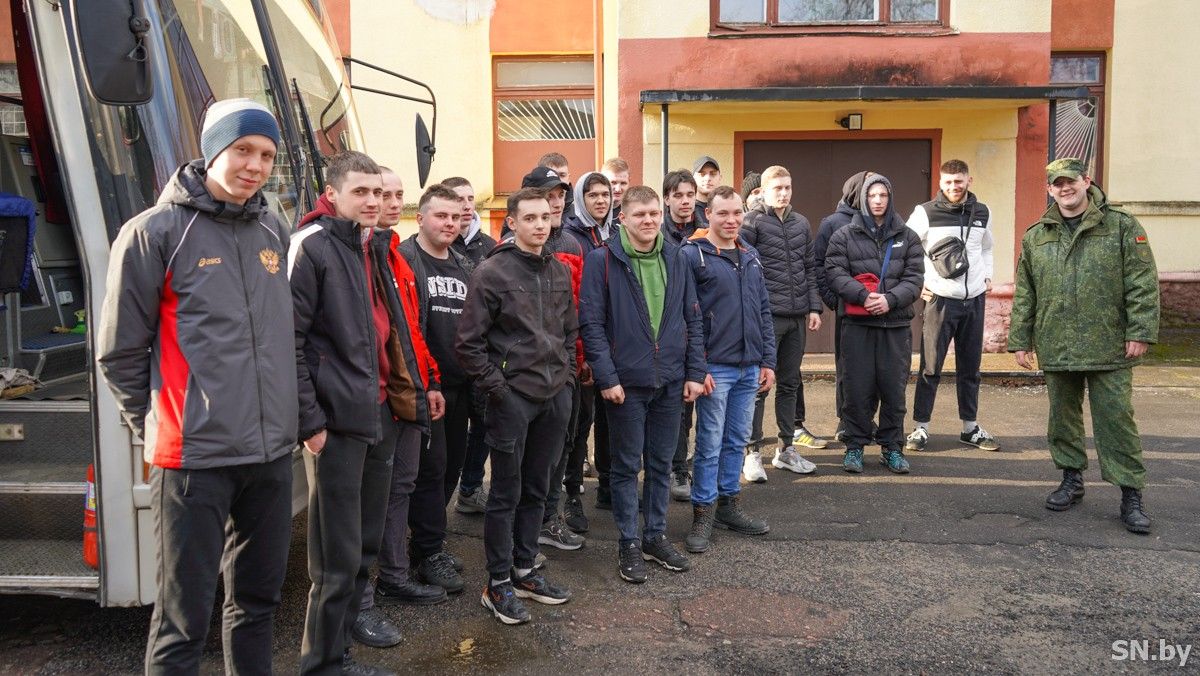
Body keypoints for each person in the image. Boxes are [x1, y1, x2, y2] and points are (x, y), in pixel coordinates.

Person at [97, 98, 296, 675]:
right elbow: (120, 352)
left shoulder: (273, 228)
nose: (255, 165)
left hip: (269, 455)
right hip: (193, 458)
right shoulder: (154, 232)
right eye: (242, 150)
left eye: (267, 155)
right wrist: (159, 425)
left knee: (257, 603)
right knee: (183, 620)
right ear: (212, 151)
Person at [290, 151, 443, 675]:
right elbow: (287, 342)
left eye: (378, 192)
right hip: (335, 424)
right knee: (334, 558)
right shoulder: (311, 247)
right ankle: (322, 664)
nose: (374, 201)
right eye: (361, 192)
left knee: (363, 548)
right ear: (331, 194)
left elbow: (395, 331)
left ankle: (341, 655)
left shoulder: (374, 245)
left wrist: (410, 395)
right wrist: (310, 424)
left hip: (380, 413)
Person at [1009, 158, 1159, 534]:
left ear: (1086, 181)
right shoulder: (1036, 235)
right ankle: (1071, 480)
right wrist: (1021, 339)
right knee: (1063, 418)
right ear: (1049, 189)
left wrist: (1140, 330)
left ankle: (1131, 494)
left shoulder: (1121, 225)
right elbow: (1026, 291)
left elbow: (1142, 281)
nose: (1065, 188)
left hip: (1110, 343)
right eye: (1057, 184)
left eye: (1071, 181)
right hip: (1057, 341)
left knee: (1116, 421)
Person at [456, 187, 577, 625]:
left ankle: (524, 570)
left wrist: (566, 381)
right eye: (530, 218)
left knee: (537, 489)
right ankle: (497, 583)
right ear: (512, 222)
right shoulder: (491, 272)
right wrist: (500, 391)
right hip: (512, 400)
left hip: (554, 396)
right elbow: (468, 345)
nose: (540, 225)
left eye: (545, 217)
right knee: (505, 493)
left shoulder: (558, 270)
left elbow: (569, 333)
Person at [580, 185, 707, 583]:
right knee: (624, 467)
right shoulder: (602, 260)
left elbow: (692, 317)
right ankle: (629, 543)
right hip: (625, 384)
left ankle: (654, 536)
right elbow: (592, 325)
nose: (649, 220)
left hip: (670, 380)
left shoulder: (677, 256)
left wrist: (694, 372)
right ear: (623, 219)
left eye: (654, 213)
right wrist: (606, 377)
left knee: (660, 464)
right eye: (640, 214)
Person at [351, 168, 445, 652]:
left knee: (401, 486)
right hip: (370, 399)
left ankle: (394, 575)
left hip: (404, 392)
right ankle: (360, 602)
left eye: (395, 194)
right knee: (366, 502)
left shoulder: (394, 256)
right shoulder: (352, 251)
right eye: (378, 193)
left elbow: (411, 331)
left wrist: (428, 380)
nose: (388, 202)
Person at [680, 186, 776, 554]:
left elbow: (763, 310)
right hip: (714, 369)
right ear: (708, 215)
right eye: (723, 213)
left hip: (749, 367)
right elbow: (687, 316)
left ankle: (728, 505)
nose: (732, 220)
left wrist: (767, 361)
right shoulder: (693, 255)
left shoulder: (750, 255)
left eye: (737, 213)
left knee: (737, 440)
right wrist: (697, 367)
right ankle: (702, 512)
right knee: (709, 444)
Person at [392, 183, 476, 601]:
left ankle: (428, 541)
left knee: (451, 468)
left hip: (460, 385)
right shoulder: (407, 260)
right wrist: (424, 383)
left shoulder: (463, 264)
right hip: (425, 388)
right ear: (420, 217)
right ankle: (426, 552)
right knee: (430, 469)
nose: (450, 223)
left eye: (456, 217)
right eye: (441, 216)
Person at [511, 167, 589, 552]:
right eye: (547, 196)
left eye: (559, 196)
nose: (556, 203)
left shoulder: (571, 244)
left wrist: (576, 366)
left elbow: (576, 312)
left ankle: (548, 518)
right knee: (526, 457)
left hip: (564, 371)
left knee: (562, 447)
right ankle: (522, 530)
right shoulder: (509, 252)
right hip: (525, 378)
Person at [824, 174, 924, 475]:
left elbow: (915, 279)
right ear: (863, 199)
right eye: (872, 195)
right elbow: (834, 271)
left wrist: (890, 300)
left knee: (894, 390)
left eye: (883, 195)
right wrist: (863, 296)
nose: (878, 201)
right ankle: (854, 446)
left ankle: (892, 449)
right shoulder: (844, 235)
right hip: (858, 325)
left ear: (890, 198)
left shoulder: (908, 236)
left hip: (895, 326)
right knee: (857, 389)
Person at [740, 165, 826, 485]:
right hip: (766, 318)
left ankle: (786, 449)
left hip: (797, 317)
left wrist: (814, 307)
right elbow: (743, 269)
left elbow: (809, 267)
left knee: (789, 384)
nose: (784, 193)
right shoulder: (752, 222)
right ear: (763, 191)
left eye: (788, 187)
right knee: (760, 386)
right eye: (777, 188)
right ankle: (752, 453)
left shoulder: (801, 223)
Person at [905, 160, 1000, 453]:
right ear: (940, 182)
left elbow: (986, 247)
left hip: (975, 299)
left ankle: (970, 428)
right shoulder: (925, 212)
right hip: (940, 299)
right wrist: (917, 282)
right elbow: (906, 247)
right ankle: (920, 427)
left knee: (970, 367)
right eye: (948, 182)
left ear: (969, 180)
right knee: (930, 366)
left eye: (958, 181)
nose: (953, 187)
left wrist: (987, 275)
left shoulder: (983, 212)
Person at [562, 170, 616, 531]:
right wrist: (585, 353)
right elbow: (576, 300)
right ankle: (571, 494)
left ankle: (609, 487)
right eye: (592, 194)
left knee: (611, 421)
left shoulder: (616, 234)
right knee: (579, 425)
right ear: (581, 198)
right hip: (583, 344)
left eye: (605, 194)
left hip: (613, 343)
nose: (600, 200)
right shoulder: (570, 237)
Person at [443, 176, 495, 516]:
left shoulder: (489, 246)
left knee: (484, 425)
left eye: (470, 199)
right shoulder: (436, 243)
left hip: (482, 354)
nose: (465, 205)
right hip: (446, 358)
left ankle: (471, 487)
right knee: (449, 436)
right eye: (458, 199)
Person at [815, 171, 874, 443]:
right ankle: (846, 420)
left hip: (878, 308)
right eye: (868, 191)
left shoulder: (881, 221)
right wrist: (833, 300)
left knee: (875, 368)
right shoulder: (832, 223)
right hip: (848, 309)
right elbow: (820, 264)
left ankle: (868, 418)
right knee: (847, 367)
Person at [659, 169, 704, 502]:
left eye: (690, 195)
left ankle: (701, 466)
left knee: (705, 405)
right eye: (678, 195)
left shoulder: (707, 231)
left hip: (705, 325)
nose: (685, 201)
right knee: (678, 407)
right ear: (667, 199)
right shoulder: (658, 234)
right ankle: (676, 469)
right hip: (672, 328)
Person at [692, 156, 720, 226]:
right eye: (702, 174)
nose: (707, 178)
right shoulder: (688, 209)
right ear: (693, 179)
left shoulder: (726, 208)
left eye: (713, 174)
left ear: (720, 178)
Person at [601, 157, 631, 223]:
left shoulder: (634, 211)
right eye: (613, 183)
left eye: (623, 183)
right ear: (602, 181)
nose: (618, 189)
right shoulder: (590, 212)